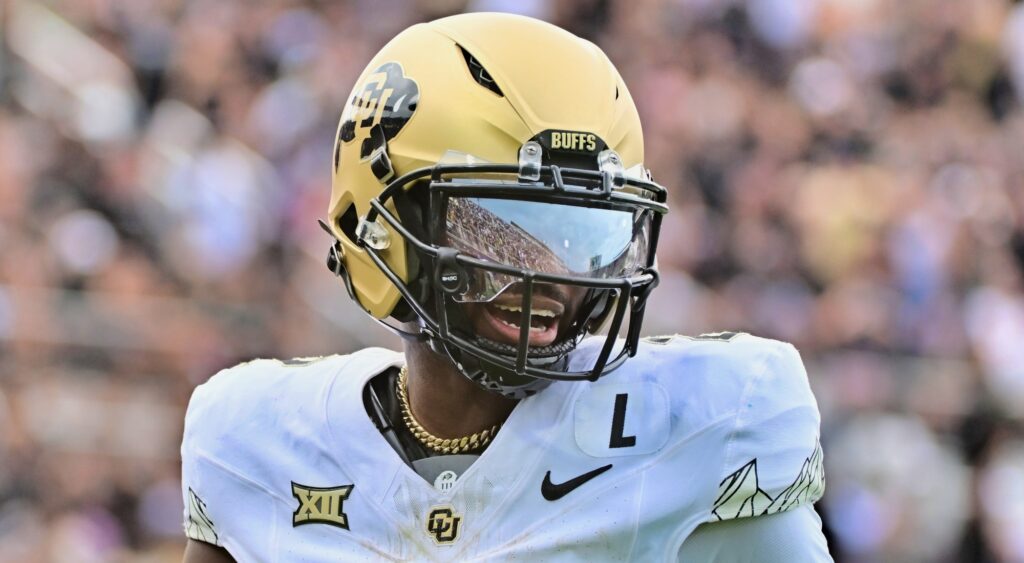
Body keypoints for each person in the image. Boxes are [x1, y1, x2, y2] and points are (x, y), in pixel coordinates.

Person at [181, 12, 831, 562]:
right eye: (504, 227)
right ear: (382, 227)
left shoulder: (712, 417)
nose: (551, 272)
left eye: (586, 232)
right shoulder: (252, 438)